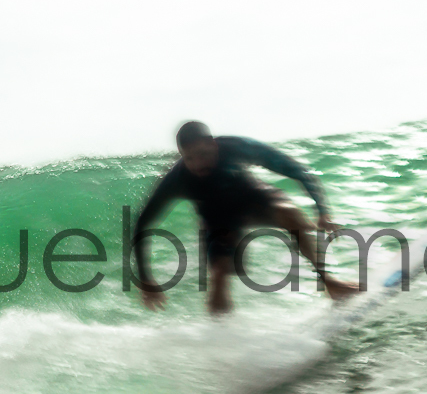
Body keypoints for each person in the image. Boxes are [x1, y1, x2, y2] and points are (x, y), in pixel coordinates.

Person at [133, 121, 360, 314]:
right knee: (219, 275)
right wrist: (146, 279)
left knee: (290, 213)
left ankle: (330, 283)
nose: (198, 164)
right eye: (190, 158)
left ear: (213, 144)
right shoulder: (178, 178)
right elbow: (142, 224)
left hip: (254, 200)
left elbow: (296, 170)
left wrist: (322, 211)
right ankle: (222, 338)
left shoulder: (236, 147)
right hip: (218, 221)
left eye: (203, 154)